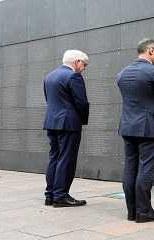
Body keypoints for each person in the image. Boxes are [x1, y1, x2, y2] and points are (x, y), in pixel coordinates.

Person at [117, 39, 154, 222]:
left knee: (130, 168)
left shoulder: (122, 74)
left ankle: (132, 212)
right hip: (148, 127)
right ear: (150, 51)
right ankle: (144, 212)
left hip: (127, 126)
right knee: (146, 169)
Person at [43, 50, 90, 208]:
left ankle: (50, 195)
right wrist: (82, 120)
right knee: (66, 159)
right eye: (84, 64)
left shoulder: (49, 76)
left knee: (54, 157)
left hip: (52, 122)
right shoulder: (74, 76)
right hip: (69, 124)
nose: (84, 68)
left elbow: (49, 100)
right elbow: (82, 103)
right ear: (77, 61)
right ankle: (61, 196)